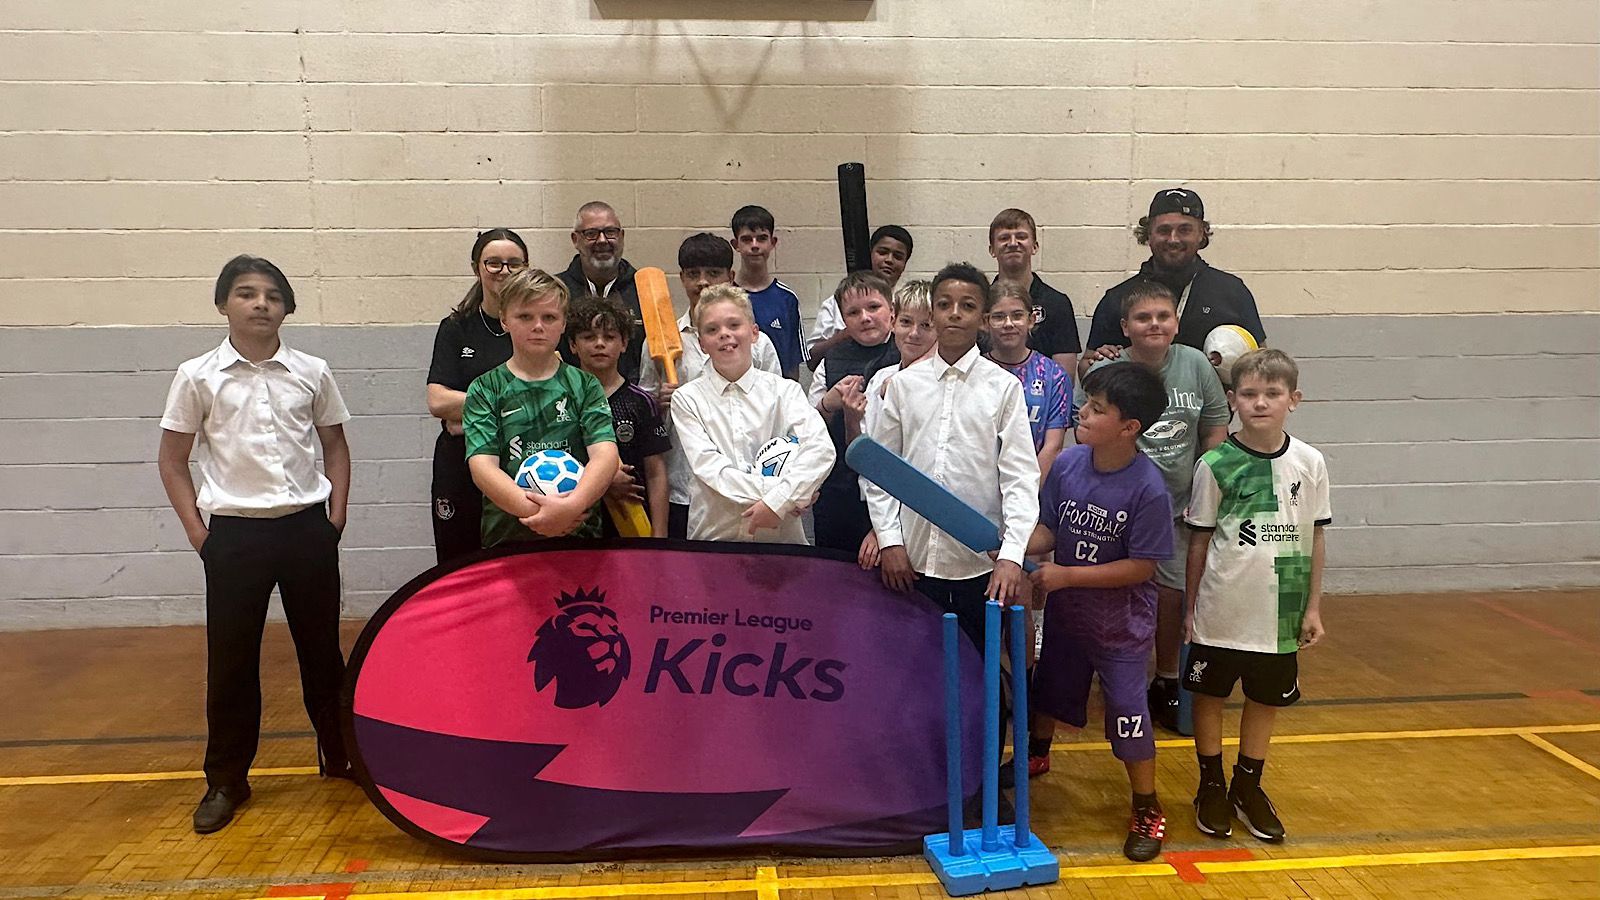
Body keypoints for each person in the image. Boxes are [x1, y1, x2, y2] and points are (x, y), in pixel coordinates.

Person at [158, 255, 353, 834]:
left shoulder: (312, 371)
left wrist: (333, 519)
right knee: (232, 660)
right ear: (224, 304)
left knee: (322, 651)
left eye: (272, 295)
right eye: (246, 293)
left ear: (287, 307)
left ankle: (341, 754)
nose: (261, 303)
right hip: (235, 537)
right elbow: (172, 460)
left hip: (306, 529)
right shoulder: (197, 375)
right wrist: (200, 534)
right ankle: (226, 780)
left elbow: (336, 447)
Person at [1027, 362, 1174, 862]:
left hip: (1120, 627)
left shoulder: (1148, 488)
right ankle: (1036, 756)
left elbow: (1141, 567)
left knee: (1129, 718)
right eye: (1086, 403)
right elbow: (1050, 530)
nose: (1081, 414)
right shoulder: (1069, 465)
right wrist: (1013, 546)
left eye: (1096, 409)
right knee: (1049, 691)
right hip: (1068, 617)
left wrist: (1065, 576)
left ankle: (1147, 807)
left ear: (1129, 428)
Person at [1183, 349, 1329, 844]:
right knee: (1210, 695)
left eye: (1272, 393)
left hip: (1281, 603)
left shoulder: (1310, 462)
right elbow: (1200, 539)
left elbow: (1316, 536)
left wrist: (1311, 606)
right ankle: (1211, 785)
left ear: (1294, 399)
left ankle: (1248, 785)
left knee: (1264, 699)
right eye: (1249, 394)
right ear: (1232, 400)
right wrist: (1190, 608)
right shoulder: (1216, 463)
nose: (1260, 403)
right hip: (1223, 602)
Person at [1081, 281, 1229, 731]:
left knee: (1172, 594)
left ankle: (1165, 678)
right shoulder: (1109, 369)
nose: (1154, 325)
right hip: (1124, 504)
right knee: (1117, 594)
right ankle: (1116, 674)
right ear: (1126, 326)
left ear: (1176, 322)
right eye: (1143, 318)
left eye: (1163, 316)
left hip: (1180, 506)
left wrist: (1206, 493)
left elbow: (1214, 429)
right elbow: (1087, 432)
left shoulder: (1196, 364)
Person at [864, 263, 1039, 644]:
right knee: (916, 663)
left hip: (979, 560)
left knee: (976, 661)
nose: (955, 313)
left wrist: (1011, 555)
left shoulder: (1003, 388)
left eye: (968, 306)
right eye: (944, 304)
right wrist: (890, 540)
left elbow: (1021, 477)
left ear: (983, 319)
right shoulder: (903, 387)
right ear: (934, 312)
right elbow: (880, 472)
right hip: (911, 557)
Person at [638, 233, 783, 538]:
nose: (702, 282)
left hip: (747, 489)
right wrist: (658, 402)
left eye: (713, 273)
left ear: (731, 277)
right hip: (681, 487)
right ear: (682, 279)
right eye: (693, 274)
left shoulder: (758, 344)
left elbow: (777, 419)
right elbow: (644, 411)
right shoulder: (657, 342)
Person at [463, 268, 620, 546]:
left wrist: (571, 508)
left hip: (579, 533)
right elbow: (482, 467)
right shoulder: (486, 388)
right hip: (509, 537)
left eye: (549, 317)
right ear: (504, 320)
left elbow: (605, 455)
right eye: (525, 316)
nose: (538, 326)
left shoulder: (585, 385)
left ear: (563, 324)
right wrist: (541, 515)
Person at [669, 284, 834, 544]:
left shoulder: (785, 392)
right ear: (701, 343)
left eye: (734, 325)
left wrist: (783, 500)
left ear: (754, 333)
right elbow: (712, 471)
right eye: (712, 329)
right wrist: (786, 496)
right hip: (713, 538)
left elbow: (821, 450)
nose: (724, 334)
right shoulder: (687, 399)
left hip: (781, 539)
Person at [1081, 188, 1266, 376]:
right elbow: (1086, 369)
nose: (1173, 239)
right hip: (1140, 404)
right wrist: (1098, 361)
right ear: (1148, 235)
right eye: (1163, 230)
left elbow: (1262, 362)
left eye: (1184, 230)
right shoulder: (1119, 298)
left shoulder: (1232, 291)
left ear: (1201, 234)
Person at [425, 228, 527, 563]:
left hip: (520, 461)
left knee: (516, 559)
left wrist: (469, 415)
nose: (504, 271)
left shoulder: (534, 326)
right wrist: (512, 402)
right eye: (493, 263)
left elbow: (548, 395)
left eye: (514, 263)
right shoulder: (456, 327)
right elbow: (438, 402)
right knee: (458, 561)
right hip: (459, 462)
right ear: (477, 268)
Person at [808, 271, 899, 553]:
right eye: (853, 312)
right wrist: (828, 405)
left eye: (874, 307)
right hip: (839, 491)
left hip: (894, 491)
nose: (865, 317)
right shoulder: (830, 361)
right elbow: (806, 435)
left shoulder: (909, 354)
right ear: (843, 320)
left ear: (892, 311)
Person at [568, 295, 671, 538]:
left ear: (624, 343)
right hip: (577, 526)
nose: (599, 344)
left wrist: (660, 535)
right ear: (573, 344)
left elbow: (656, 473)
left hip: (634, 526)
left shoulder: (641, 402)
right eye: (589, 337)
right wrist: (603, 482)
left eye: (610, 337)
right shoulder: (563, 399)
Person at [984, 280, 1072, 476]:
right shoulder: (973, 372)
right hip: (978, 487)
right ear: (985, 322)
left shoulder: (1054, 376)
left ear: (1031, 320)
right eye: (998, 317)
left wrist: (1027, 497)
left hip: (1033, 488)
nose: (1008, 324)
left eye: (1017, 316)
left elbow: (1053, 446)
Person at [557, 201, 648, 381]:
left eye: (610, 232)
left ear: (621, 236)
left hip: (633, 401)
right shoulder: (557, 291)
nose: (602, 240)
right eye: (591, 234)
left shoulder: (644, 289)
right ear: (575, 239)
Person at [987, 208, 1082, 378]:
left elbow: (1064, 378)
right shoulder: (982, 303)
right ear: (992, 249)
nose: (1013, 243)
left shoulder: (1057, 303)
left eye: (1021, 236)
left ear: (1035, 246)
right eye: (1004, 238)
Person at [806, 225, 914, 368]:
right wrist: (849, 333)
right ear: (870, 254)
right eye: (882, 252)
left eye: (898, 256)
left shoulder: (911, 303)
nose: (889, 260)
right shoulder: (836, 303)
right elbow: (812, 360)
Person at [731, 205, 805, 379]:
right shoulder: (726, 298)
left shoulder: (787, 298)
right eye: (747, 239)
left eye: (762, 238)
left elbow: (792, 366)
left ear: (773, 243)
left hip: (776, 398)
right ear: (736, 245)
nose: (755, 246)